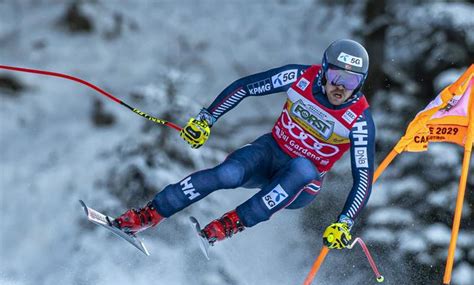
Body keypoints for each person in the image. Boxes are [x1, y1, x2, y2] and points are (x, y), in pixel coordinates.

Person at [113, 39, 376, 251]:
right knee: (226, 174)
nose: (341, 87)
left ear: (360, 83)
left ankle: (230, 224)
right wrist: (207, 119)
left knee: (302, 167)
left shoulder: (360, 121)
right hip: (270, 153)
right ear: (323, 71)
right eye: (336, 77)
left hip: (301, 184)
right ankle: (148, 215)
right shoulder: (300, 77)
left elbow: (363, 177)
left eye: (351, 82)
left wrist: (345, 222)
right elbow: (245, 87)